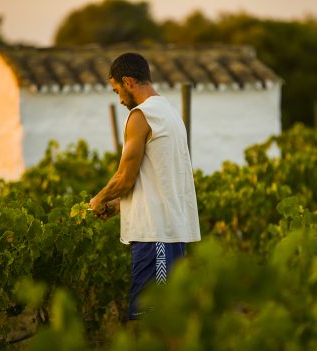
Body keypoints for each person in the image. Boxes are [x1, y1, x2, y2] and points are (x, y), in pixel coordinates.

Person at [89, 52, 201, 320]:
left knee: (153, 320)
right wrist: (120, 205)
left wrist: (99, 199)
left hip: (155, 235)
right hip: (169, 233)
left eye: (117, 91)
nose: (119, 99)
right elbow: (160, 178)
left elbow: (124, 178)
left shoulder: (141, 115)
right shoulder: (169, 113)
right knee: (166, 318)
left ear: (128, 81)